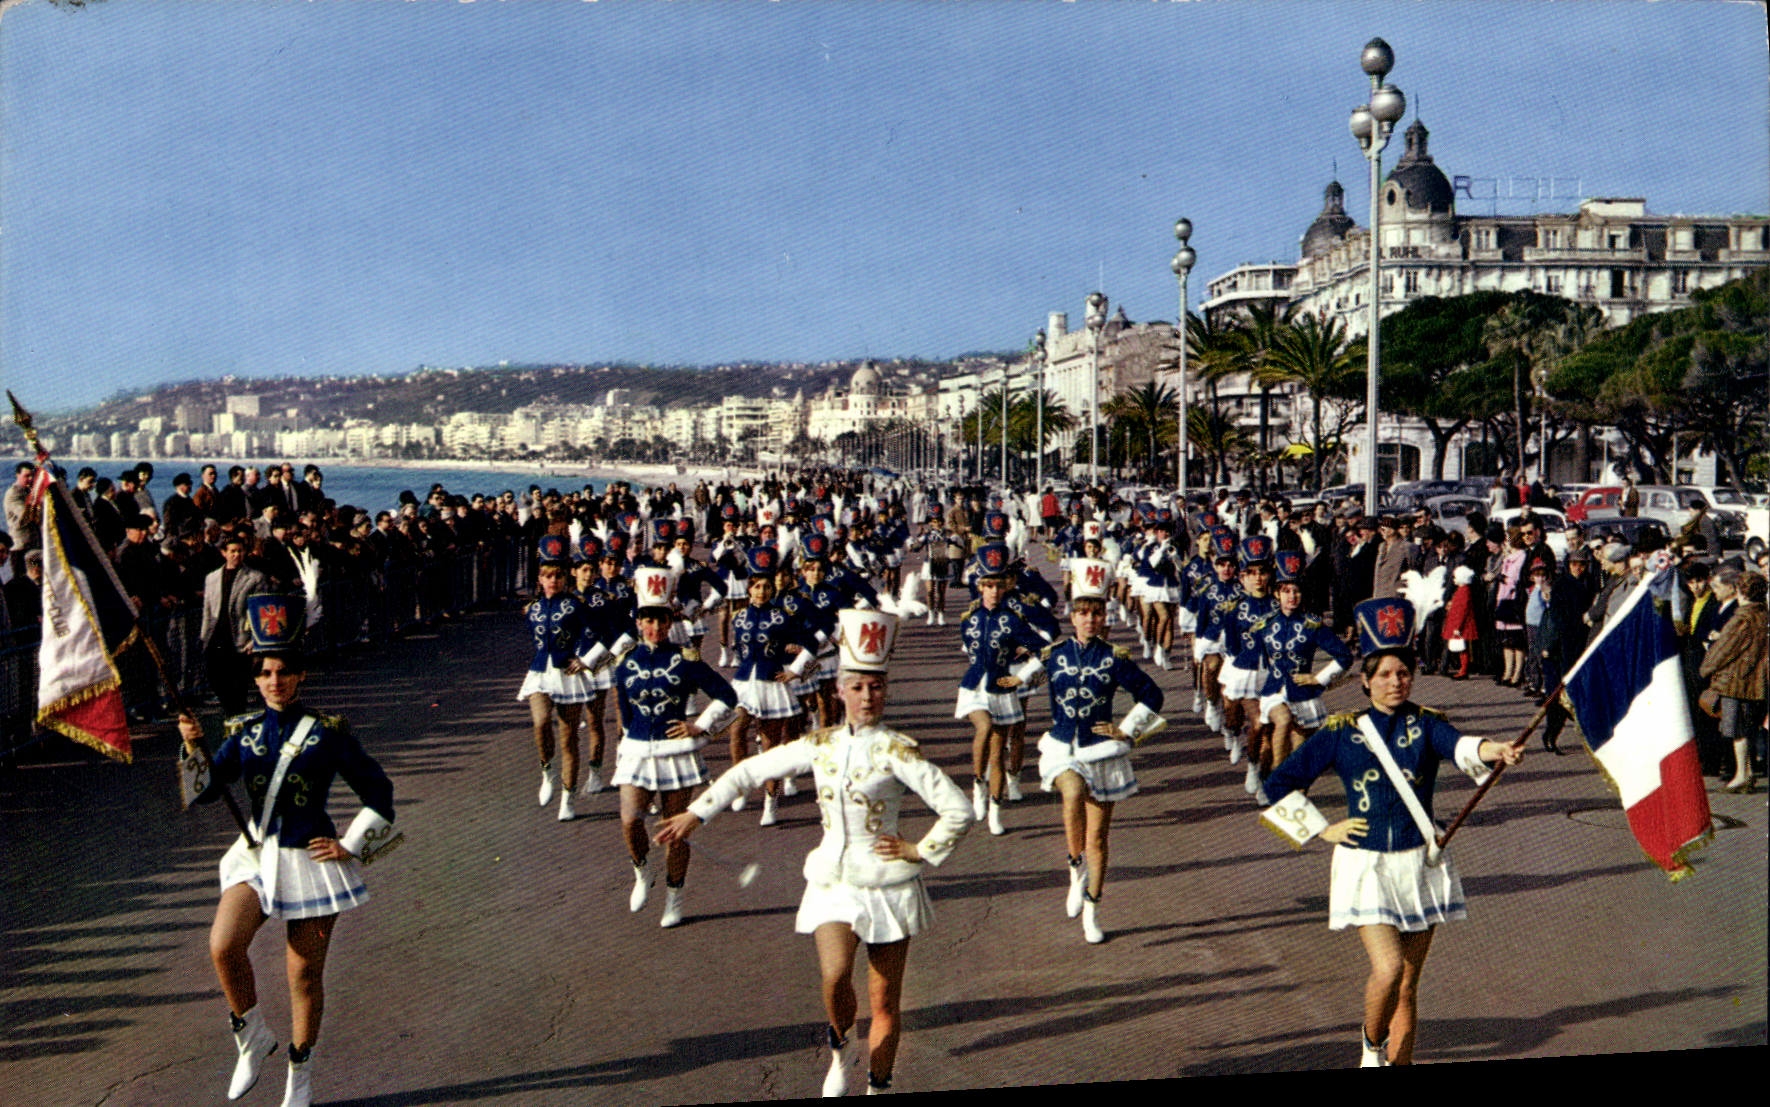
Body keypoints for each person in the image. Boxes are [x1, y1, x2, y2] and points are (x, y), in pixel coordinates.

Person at [656, 608, 973, 1097]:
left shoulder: (899, 750)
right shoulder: (819, 745)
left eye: (877, 687)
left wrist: (919, 850)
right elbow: (746, 772)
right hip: (833, 881)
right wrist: (695, 814)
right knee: (834, 977)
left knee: (885, 1001)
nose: (868, 697)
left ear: (884, 691)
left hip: (889, 883)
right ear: (841, 690)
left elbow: (958, 809)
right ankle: (841, 1044)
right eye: (858, 687)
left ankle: (878, 1085)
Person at [1261, 597, 1523, 1067]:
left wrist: (1495, 749)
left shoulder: (1427, 724)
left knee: (1408, 984)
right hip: (1365, 864)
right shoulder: (1342, 731)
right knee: (1388, 969)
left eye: (1403, 673)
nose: (1395, 682)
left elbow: (1461, 745)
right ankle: (1370, 1043)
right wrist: (1322, 829)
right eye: (1383, 674)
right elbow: (1277, 784)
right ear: (1364, 681)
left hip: (1420, 862)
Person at [177, 594, 398, 1107]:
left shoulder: (327, 733)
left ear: (299, 676)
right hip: (257, 855)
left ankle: (300, 1074)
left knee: (302, 974)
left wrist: (351, 844)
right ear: (255, 679)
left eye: (283, 671)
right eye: (265, 673)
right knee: (223, 944)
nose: (274, 681)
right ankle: (251, 1035)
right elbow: (208, 791)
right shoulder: (245, 734)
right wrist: (193, 746)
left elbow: (380, 794)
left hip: (311, 864)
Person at [1036, 558, 1165, 943]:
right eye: (1082, 613)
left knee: (1098, 838)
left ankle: (1093, 906)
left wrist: (1126, 730)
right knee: (1071, 792)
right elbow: (1039, 688)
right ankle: (1074, 869)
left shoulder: (1114, 658)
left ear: (1104, 618)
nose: (1089, 619)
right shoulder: (1055, 654)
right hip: (1063, 746)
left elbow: (1152, 695)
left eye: (1096, 613)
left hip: (1101, 751)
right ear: (1071, 617)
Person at [610, 565, 739, 927]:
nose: (654, 627)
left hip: (676, 754)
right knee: (629, 820)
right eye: (647, 620)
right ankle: (641, 872)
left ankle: (674, 896)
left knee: (676, 831)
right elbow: (623, 708)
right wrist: (623, 742)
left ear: (670, 622)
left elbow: (728, 695)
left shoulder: (686, 659)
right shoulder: (625, 661)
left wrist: (700, 726)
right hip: (636, 750)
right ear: (639, 622)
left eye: (661, 620)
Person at [517, 538, 602, 822]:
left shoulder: (577, 605)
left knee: (568, 740)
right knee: (540, 723)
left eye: (557, 576)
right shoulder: (532, 609)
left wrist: (586, 661)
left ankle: (568, 796)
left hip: (568, 674)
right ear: (540, 579)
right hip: (540, 672)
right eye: (547, 576)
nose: (552, 581)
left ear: (566, 578)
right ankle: (546, 771)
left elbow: (603, 635)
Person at [1699, 571, 1767, 793]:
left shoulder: (1741, 618)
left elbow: (1724, 649)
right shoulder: (1764, 615)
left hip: (1734, 679)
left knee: (1735, 728)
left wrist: (1705, 668)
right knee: (1746, 726)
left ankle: (1742, 774)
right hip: (1755, 678)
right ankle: (1744, 772)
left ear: (1741, 591)